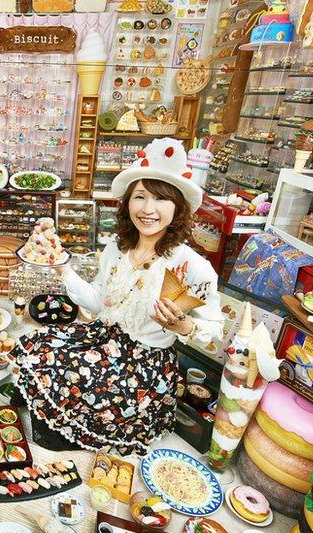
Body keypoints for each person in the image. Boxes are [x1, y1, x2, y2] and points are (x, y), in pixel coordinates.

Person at [11, 138, 223, 455]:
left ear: (177, 209)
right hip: (104, 337)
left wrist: (184, 328)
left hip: (143, 364)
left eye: (162, 200)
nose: (148, 210)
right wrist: (61, 268)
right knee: (35, 346)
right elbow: (98, 302)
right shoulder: (117, 249)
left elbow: (216, 335)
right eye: (140, 197)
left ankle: (71, 431)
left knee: (71, 384)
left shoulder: (192, 268)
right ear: (128, 203)